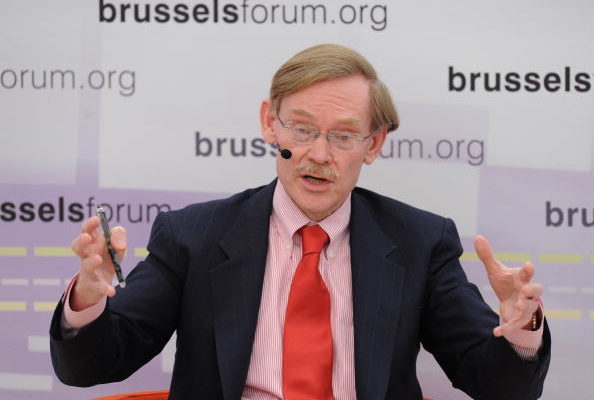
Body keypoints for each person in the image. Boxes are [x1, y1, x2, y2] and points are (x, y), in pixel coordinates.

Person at [50, 44, 550, 400]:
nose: (319, 154)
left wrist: (520, 329)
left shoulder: (420, 241)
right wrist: (88, 300)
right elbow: (93, 365)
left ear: (374, 144)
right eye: (302, 129)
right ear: (270, 123)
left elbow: (498, 386)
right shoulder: (192, 237)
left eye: (344, 136)